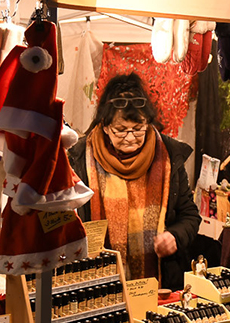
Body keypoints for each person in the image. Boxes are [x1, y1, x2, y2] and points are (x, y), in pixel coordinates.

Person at [68, 73, 202, 288]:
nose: (130, 138)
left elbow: (189, 215)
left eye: (138, 128)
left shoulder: (168, 156)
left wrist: (174, 236)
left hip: (159, 281)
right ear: (104, 126)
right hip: (97, 282)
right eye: (120, 130)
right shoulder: (80, 158)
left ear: (148, 122)